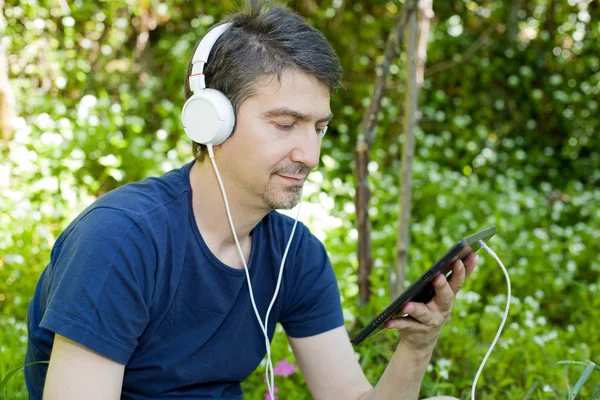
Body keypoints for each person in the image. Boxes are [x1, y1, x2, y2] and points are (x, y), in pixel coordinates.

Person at [25, 2, 478, 399]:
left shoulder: (294, 256)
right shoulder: (121, 240)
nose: (311, 156)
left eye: (318, 128)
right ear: (211, 122)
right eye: (285, 124)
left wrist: (416, 347)